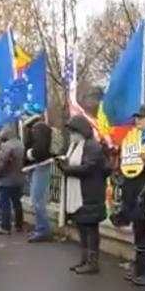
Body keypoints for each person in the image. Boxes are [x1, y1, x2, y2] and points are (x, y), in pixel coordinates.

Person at [57, 115, 110, 275]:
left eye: (73, 131)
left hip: (90, 193)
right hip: (81, 194)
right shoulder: (77, 145)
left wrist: (66, 168)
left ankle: (92, 262)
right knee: (82, 228)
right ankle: (84, 259)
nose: (71, 135)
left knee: (90, 229)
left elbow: (88, 168)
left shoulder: (92, 146)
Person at [119, 104, 145, 286]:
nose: (138, 120)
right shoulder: (134, 138)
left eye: (142, 117)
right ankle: (139, 267)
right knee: (138, 231)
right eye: (136, 117)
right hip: (133, 189)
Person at [23, 115, 53, 242]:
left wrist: (29, 154)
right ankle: (40, 228)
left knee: (37, 200)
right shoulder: (39, 127)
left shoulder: (38, 128)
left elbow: (39, 149)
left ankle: (43, 229)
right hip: (40, 165)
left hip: (40, 165)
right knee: (37, 199)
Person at [0, 124, 26, 235]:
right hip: (19, 178)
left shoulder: (6, 146)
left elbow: (2, 163)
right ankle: (19, 225)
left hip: (7, 179)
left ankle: (5, 226)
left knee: (5, 203)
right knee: (17, 202)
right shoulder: (21, 144)